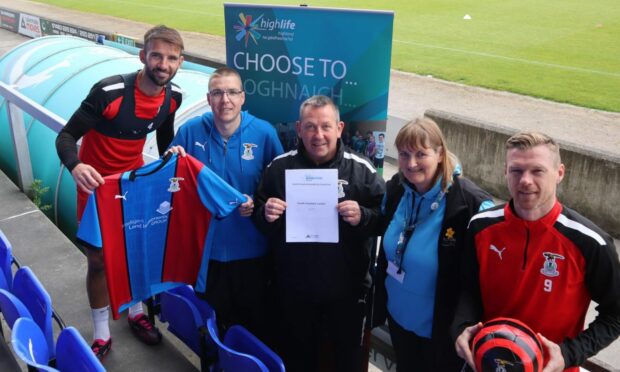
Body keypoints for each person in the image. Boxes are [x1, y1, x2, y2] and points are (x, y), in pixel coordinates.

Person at [55, 25, 184, 358]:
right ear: (143, 56)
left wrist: (174, 153)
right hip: (96, 188)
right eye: (156, 55)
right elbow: (65, 137)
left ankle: (136, 312)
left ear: (180, 62)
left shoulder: (173, 97)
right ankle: (101, 333)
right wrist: (76, 166)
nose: (163, 64)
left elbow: (164, 138)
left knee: (135, 250)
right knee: (97, 262)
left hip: (133, 187)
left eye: (171, 58)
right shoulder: (108, 92)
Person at [453, 132, 620, 372]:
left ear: (559, 173)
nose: (525, 181)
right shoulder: (480, 226)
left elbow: (615, 315)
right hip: (486, 363)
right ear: (505, 171)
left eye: (537, 171)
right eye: (516, 170)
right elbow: (468, 289)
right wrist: (461, 327)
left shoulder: (591, 243)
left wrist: (569, 354)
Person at [252, 95, 385, 372]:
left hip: (346, 294)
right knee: (298, 360)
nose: (318, 135)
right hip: (293, 292)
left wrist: (364, 216)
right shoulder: (278, 168)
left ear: (340, 128)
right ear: (299, 129)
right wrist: (266, 213)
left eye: (326, 126)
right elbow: (259, 217)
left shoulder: (362, 170)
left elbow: (383, 220)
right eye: (310, 127)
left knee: (345, 362)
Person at [168, 66, 283, 339]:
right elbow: (171, 185)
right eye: (217, 93)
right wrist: (171, 161)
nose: (225, 100)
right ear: (208, 99)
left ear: (243, 97)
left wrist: (256, 202)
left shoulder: (264, 133)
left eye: (232, 92)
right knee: (212, 329)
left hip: (252, 253)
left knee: (253, 328)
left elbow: (279, 188)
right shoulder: (190, 131)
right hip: (207, 254)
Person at [372, 118, 493, 371]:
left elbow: (485, 276)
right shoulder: (396, 189)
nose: (411, 163)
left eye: (420, 154)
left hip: (441, 335)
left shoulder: (470, 204)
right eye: (404, 154)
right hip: (398, 320)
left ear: (440, 154)